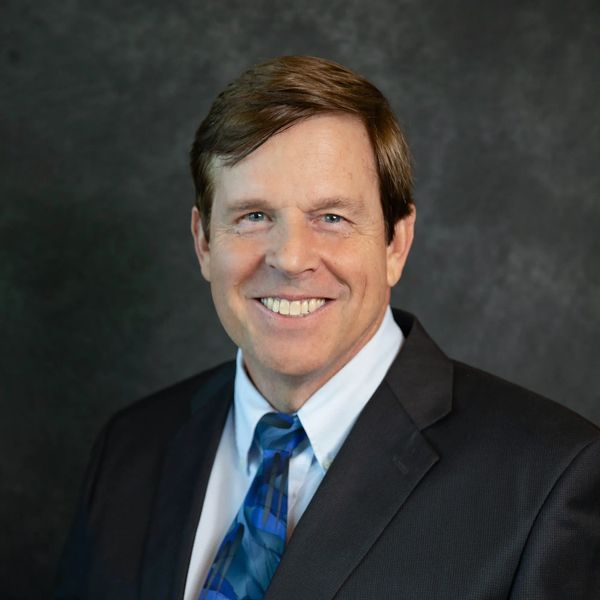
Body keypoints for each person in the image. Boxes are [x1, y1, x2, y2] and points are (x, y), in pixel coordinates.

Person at [53, 56, 600, 600]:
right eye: (253, 216)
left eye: (332, 217)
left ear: (395, 243)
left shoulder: (549, 479)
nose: (290, 258)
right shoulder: (130, 448)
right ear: (204, 242)